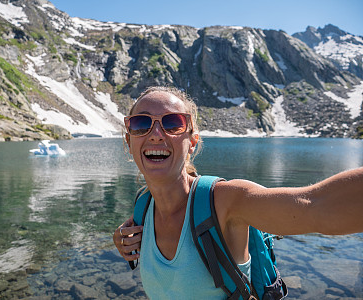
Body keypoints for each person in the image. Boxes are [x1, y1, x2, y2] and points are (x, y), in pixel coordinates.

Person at [113, 86, 363, 299]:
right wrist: (122, 240)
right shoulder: (143, 206)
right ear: (129, 141)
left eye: (173, 123)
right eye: (141, 123)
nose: (156, 134)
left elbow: (315, 206)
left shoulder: (226, 201)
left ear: (192, 143)